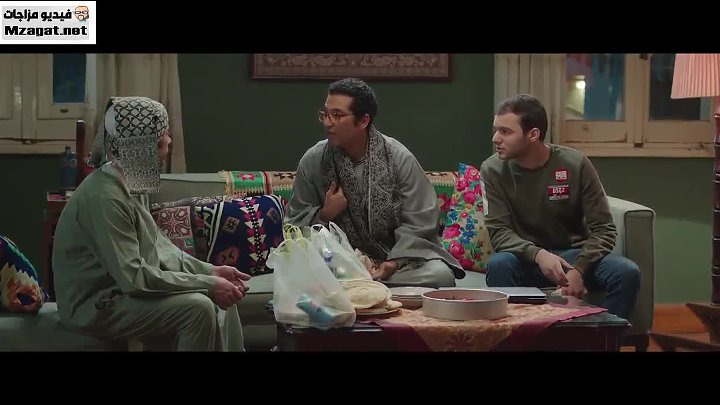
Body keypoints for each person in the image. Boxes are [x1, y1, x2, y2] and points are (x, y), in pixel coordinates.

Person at [52, 96, 249, 351]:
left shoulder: (133, 180)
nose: (169, 141)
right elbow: (133, 278)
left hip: (121, 291)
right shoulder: (105, 198)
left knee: (225, 295)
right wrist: (207, 285)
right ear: (143, 147)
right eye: (162, 137)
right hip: (95, 304)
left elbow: (159, 248)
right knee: (198, 308)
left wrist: (210, 272)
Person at [285, 77, 464, 288]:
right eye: (325, 114)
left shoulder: (399, 158)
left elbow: (420, 221)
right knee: (299, 271)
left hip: (394, 261)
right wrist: (324, 215)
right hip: (336, 259)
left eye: (337, 115)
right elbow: (294, 226)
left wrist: (393, 263)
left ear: (363, 121)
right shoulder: (313, 160)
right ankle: (359, 283)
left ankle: (358, 286)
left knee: (440, 276)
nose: (327, 122)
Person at [480, 94, 640, 319]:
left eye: (505, 132)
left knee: (626, 272)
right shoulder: (492, 170)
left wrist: (579, 269)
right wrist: (539, 255)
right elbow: (499, 232)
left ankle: (603, 337)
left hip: (573, 255)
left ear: (533, 134)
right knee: (499, 264)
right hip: (525, 258)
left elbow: (604, 229)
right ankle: (514, 335)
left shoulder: (575, 164)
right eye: (496, 130)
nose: (495, 138)